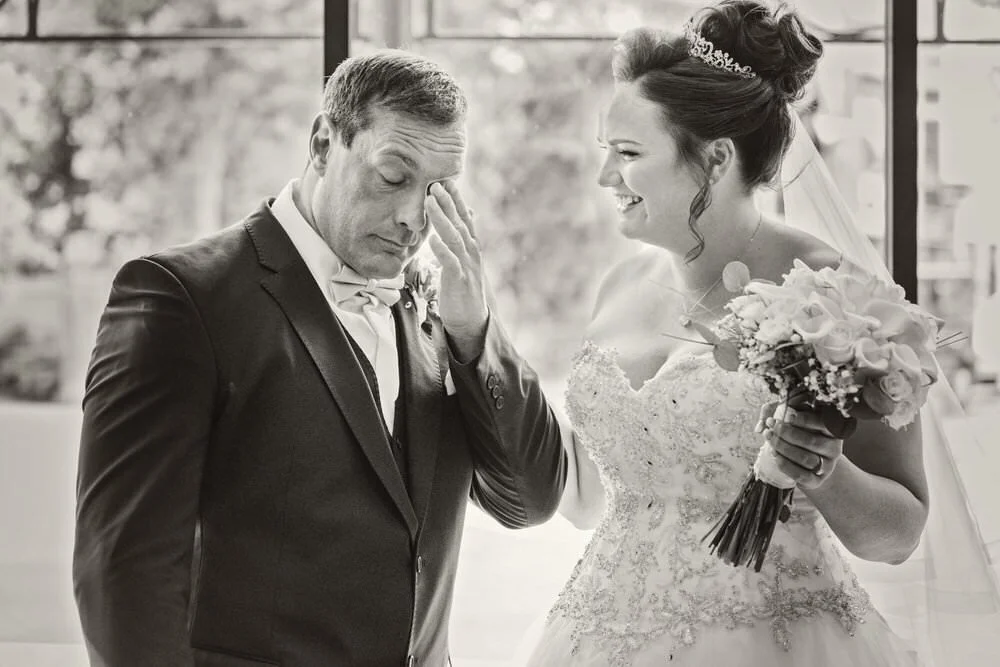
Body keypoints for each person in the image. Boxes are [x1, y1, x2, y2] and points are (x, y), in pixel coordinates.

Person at [72, 49, 566, 667]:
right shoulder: (181, 298)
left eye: (438, 190)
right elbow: (124, 568)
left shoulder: (442, 313)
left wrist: (476, 337)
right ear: (324, 145)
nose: (415, 219)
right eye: (393, 177)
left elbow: (530, 500)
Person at [523, 2, 933, 664]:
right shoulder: (617, 288)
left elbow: (900, 533)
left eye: (627, 154)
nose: (604, 178)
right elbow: (596, 491)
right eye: (606, 152)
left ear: (714, 159)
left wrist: (821, 469)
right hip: (599, 632)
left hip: (774, 637)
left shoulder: (841, 298)